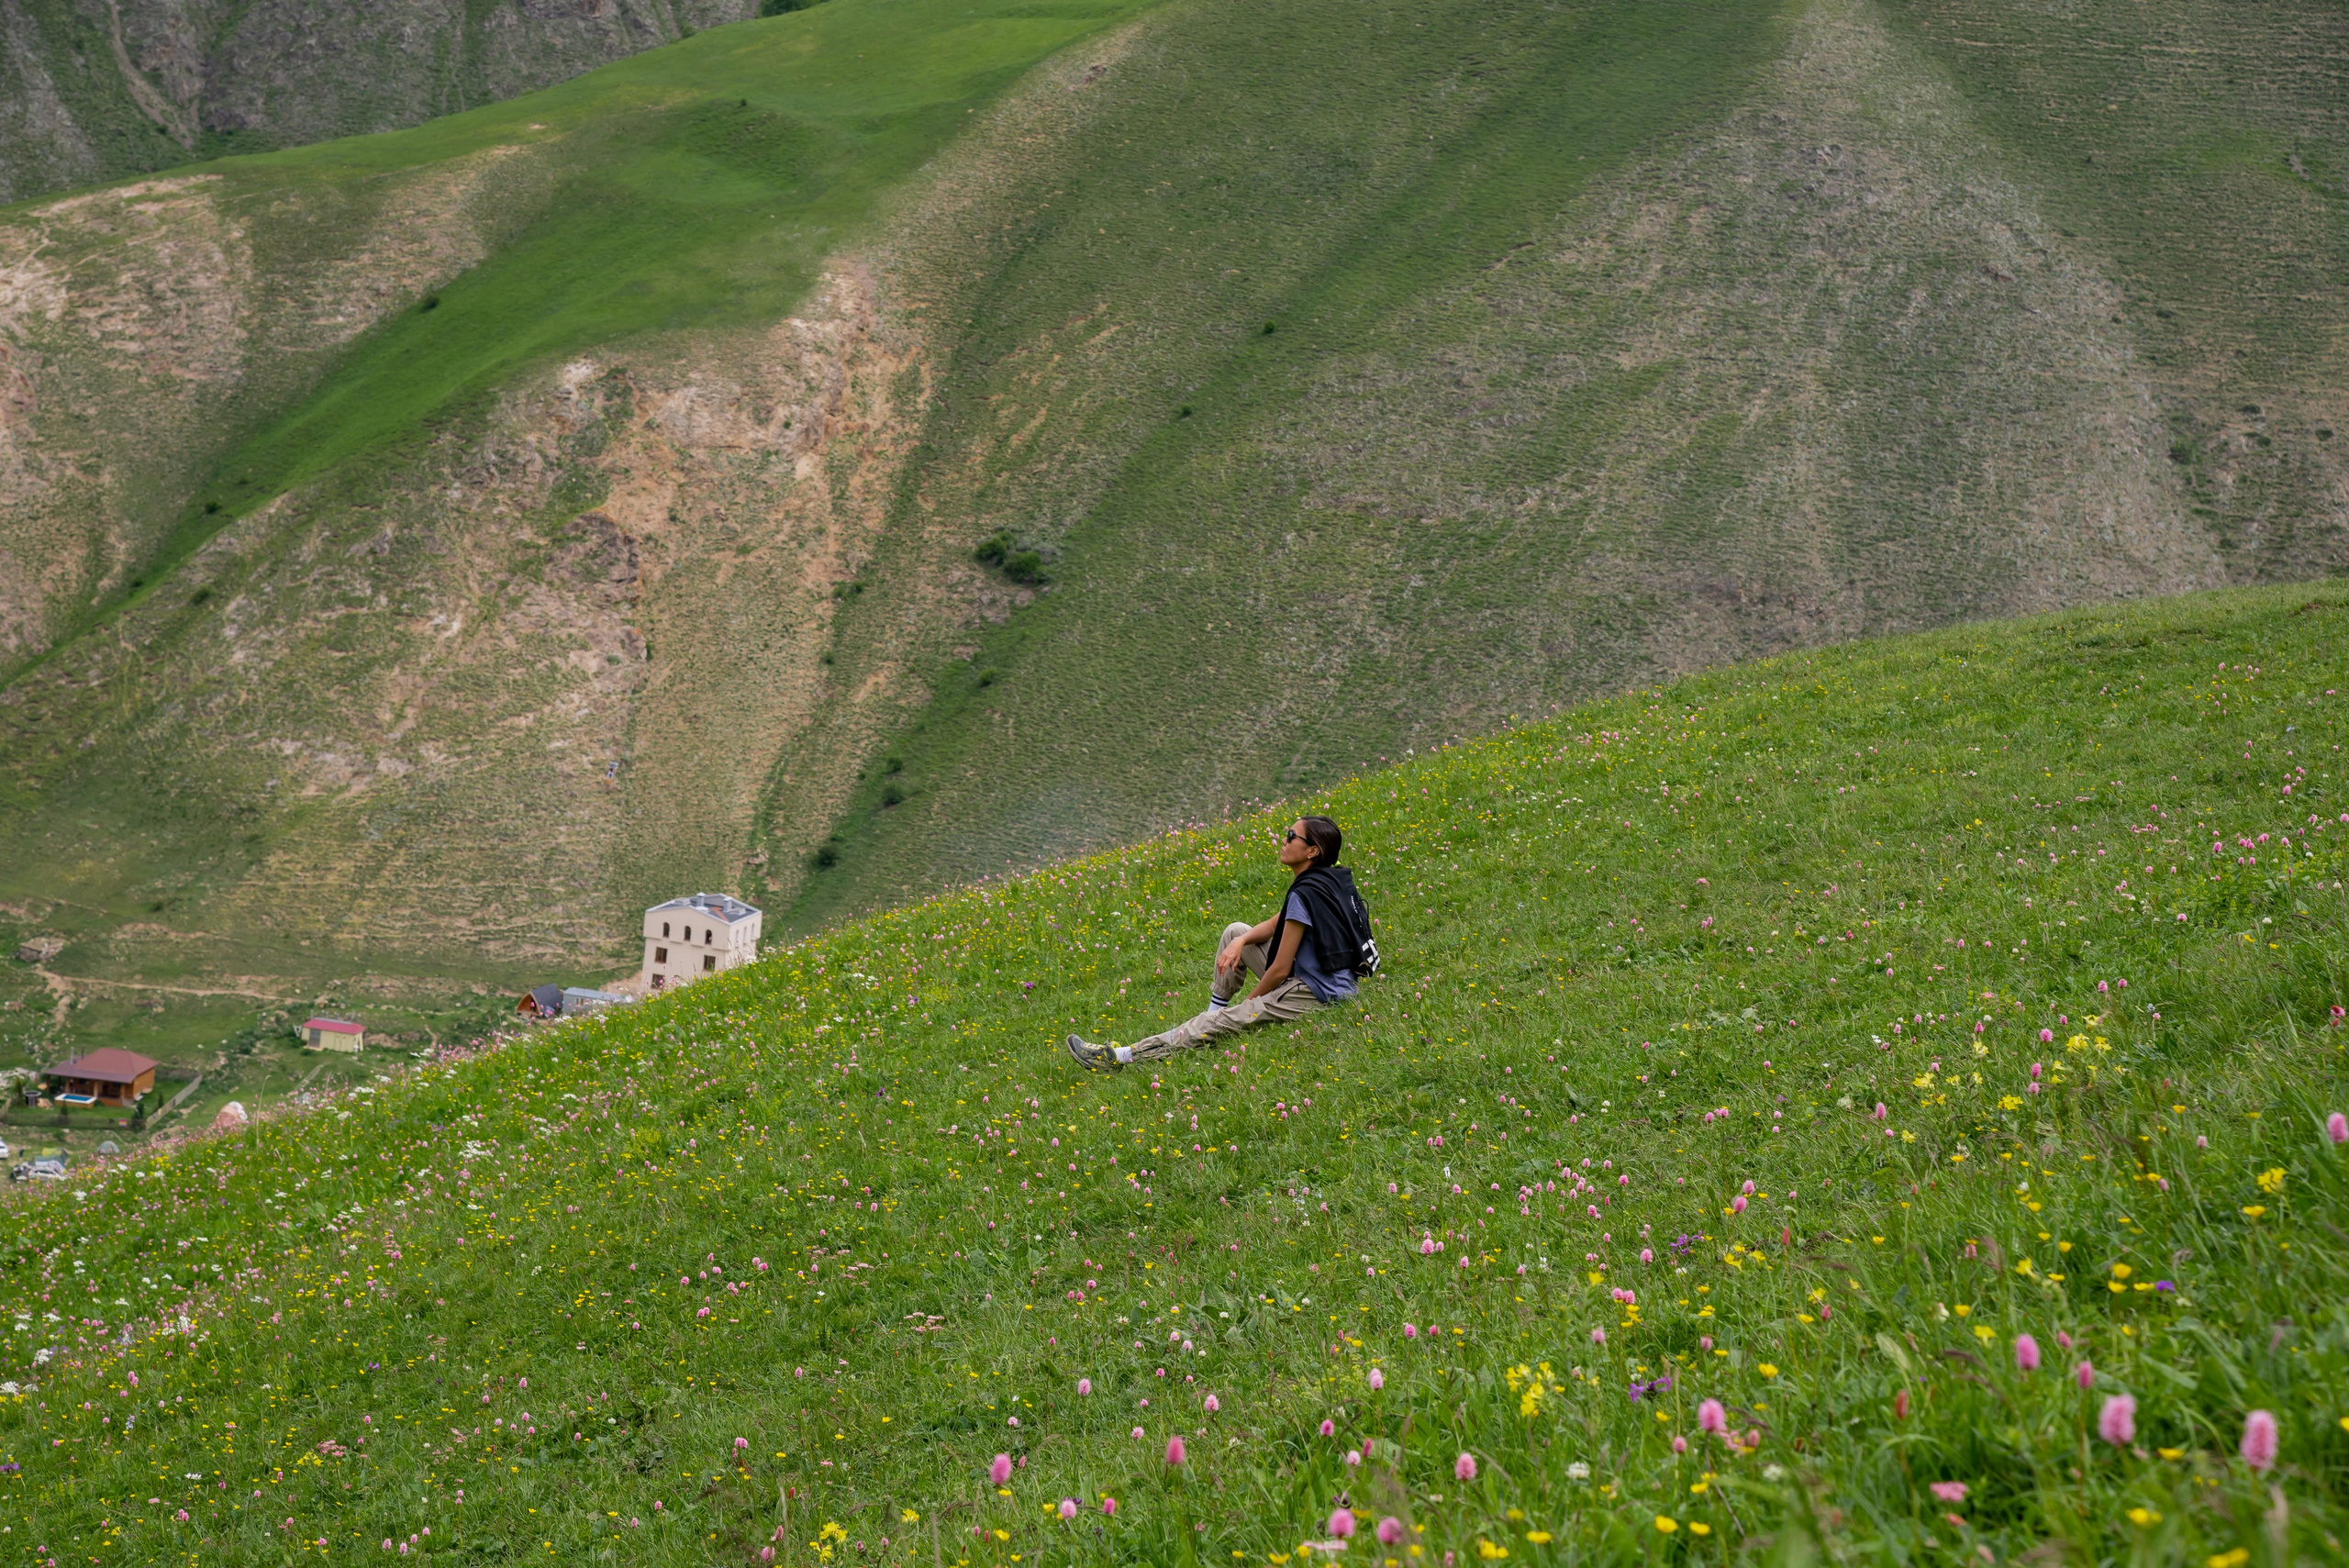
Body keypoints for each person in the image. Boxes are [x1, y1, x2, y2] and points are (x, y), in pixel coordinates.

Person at [1065, 815, 1375, 1071]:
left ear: (1312, 851)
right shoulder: (1326, 880)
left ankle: (1119, 1058)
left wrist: (1251, 1002)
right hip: (1328, 977)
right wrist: (1239, 942)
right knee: (1235, 931)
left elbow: (1280, 970)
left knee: (1228, 1018)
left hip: (1315, 992)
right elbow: (1274, 924)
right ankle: (1215, 1010)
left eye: (1291, 835)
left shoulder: (1304, 893)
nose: (1284, 839)